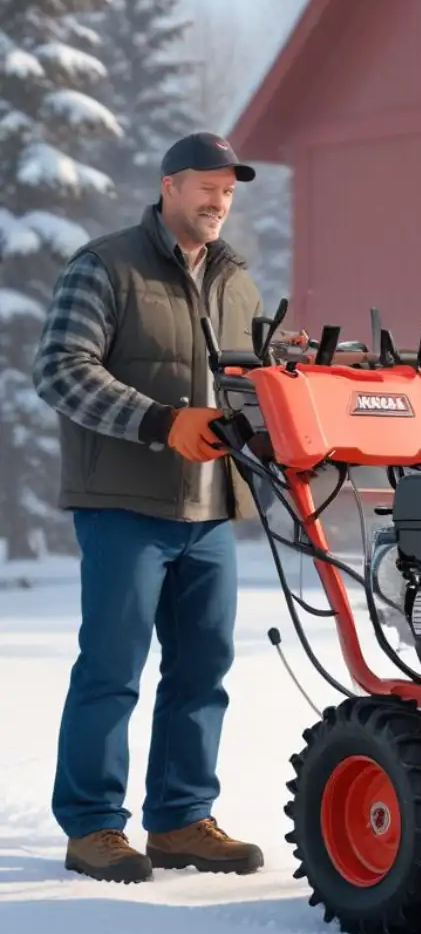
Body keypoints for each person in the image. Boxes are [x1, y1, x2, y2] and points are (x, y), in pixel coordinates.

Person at [31, 132, 267, 884]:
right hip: (125, 506)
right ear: (169, 186)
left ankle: (180, 820)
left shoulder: (238, 282)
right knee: (113, 667)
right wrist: (161, 421)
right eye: (207, 186)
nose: (219, 201)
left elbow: (250, 379)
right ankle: (94, 827)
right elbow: (61, 370)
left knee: (204, 670)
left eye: (229, 191)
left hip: (209, 510)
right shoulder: (104, 266)